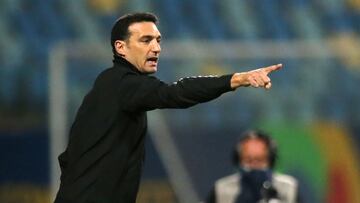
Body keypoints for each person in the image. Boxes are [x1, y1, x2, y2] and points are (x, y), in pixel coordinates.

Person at [54, 12, 283, 203]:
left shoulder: (110, 85)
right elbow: (175, 93)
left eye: (158, 40)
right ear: (121, 48)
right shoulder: (122, 83)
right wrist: (237, 79)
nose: (156, 48)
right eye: (146, 40)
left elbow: (67, 158)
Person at [206, 130, 299, 203]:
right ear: (239, 160)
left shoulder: (289, 188)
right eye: (248, 160)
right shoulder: (221, 189)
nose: (254, 166)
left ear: (271, 160)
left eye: (260, 160)